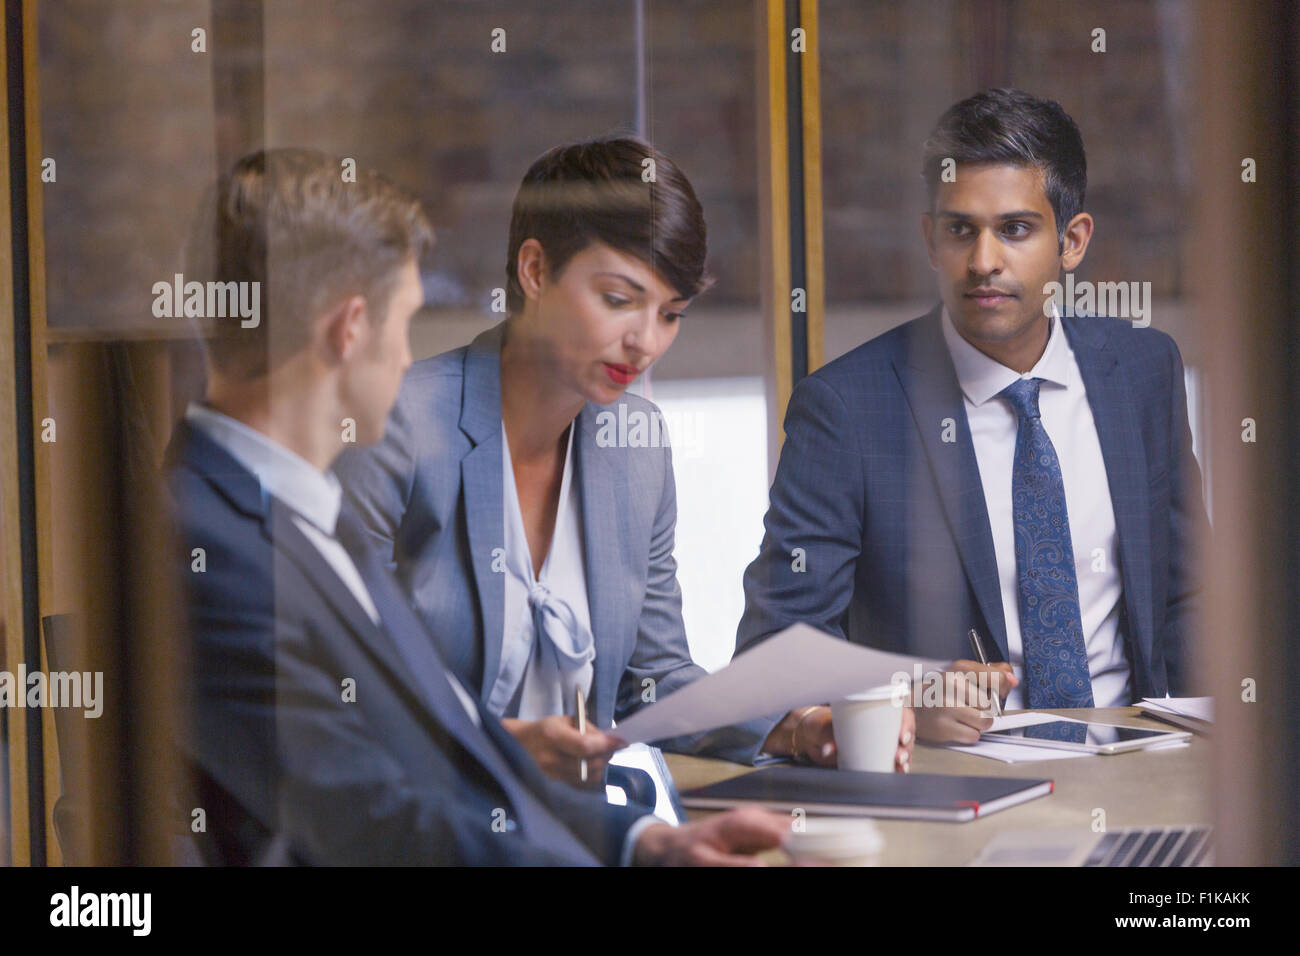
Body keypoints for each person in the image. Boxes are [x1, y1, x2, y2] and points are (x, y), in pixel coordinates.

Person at [167, 147, 790, 865]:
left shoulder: (302, 510)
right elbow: (375, 812)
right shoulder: (206, 542)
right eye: (405, 324)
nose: (407, 360)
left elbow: (444, 746)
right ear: (350, 329)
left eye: (670, 312)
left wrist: (642, 843)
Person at [333, 135, 915, 780]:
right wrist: (503, 747)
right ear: (534, 271)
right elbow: (343, 695)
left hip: (583, 822)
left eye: (671, 314)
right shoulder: (396, 425)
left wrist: (794, 725)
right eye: (618, 300)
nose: (645, 342)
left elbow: (654, 680)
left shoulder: (636, 445)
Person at [736, 89, 1210, 750]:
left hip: (1143, 757)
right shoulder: (847, 409)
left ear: (1072, 242)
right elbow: (775, 652)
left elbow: (1188, 600)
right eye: (962, 229)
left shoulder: (1143, 373)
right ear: (931, 239)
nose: (984, 261)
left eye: (1015, 229)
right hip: (958, 778)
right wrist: (907, 695)